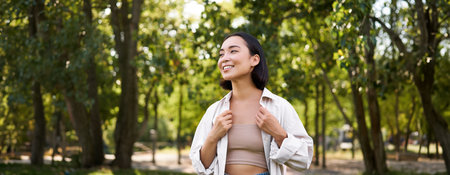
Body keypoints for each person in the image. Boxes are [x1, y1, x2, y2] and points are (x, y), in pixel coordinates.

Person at [190, 32, 313, 175]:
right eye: (221, 54)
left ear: (254, 60)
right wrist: (212, 137)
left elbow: (304, 160)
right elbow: (200, 168)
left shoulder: (278, 106)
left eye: (233, 51)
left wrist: (279, 133)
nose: (224, 59)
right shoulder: (214, 111)